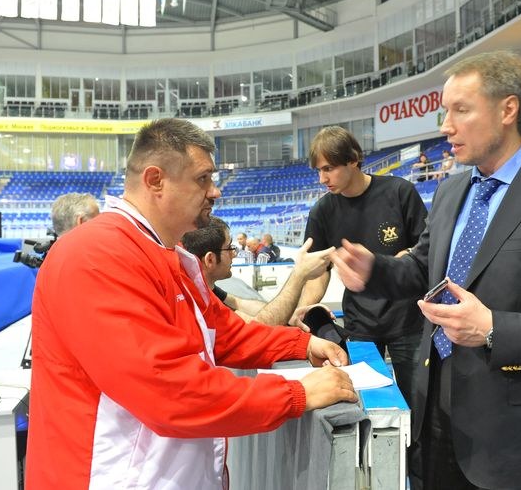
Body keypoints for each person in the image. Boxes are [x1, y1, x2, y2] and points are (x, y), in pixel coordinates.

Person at [330, 51, 521, 490]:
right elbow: (423, 271)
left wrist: (494, 329)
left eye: (460, 110)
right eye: (445, 111)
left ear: (508, 109)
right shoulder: (452, 189)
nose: (445, 126)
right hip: (436, 414)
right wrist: (374, 271)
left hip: (520, 440)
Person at [25, 118, 358, 489]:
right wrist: (296, 394)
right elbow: (166, 390)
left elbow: (222, 332)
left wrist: (301, 344)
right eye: (203, 179)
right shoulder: (95, 255)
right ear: (155, 181)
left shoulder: (159, 251)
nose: (215, 192)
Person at [299, 125, 428, 404]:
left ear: (353, 159)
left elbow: (425, 250)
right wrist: (305, 303)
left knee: (418, 405)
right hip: (360, 326)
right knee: (366, 405)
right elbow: (319, 271)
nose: (323, 179)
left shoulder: (399, 192)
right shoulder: (322, 211)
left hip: (409, 322)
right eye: (318, 171)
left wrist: (390, 264)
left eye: (329, 168)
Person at [181, 216, 330, 330]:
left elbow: (239, 303)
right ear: (210, 260)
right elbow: (260, 325)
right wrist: (299, 275)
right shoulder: (196, 301)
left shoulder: (206, 288)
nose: (234, 254)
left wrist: (291, 314)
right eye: (229, 248)